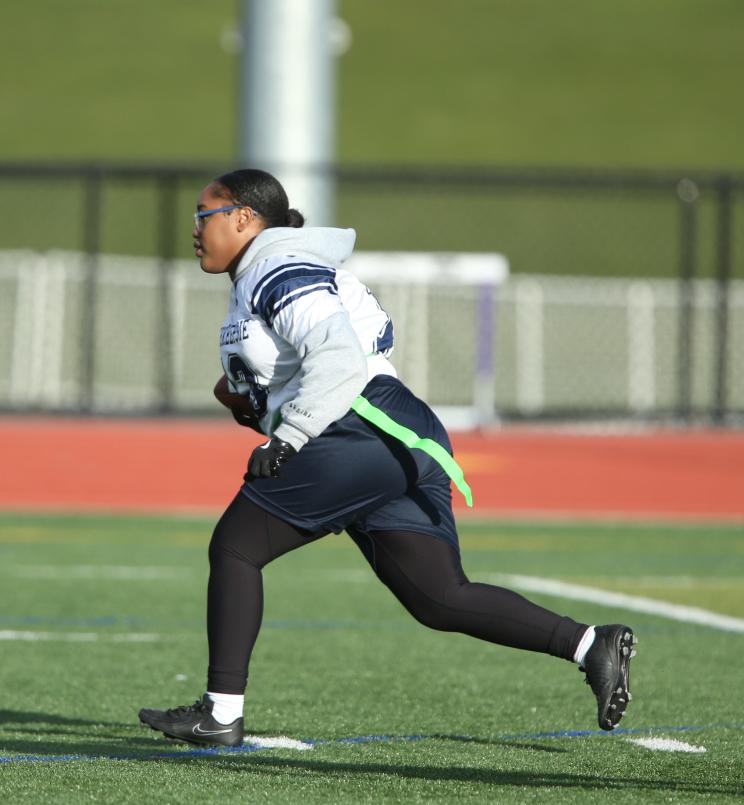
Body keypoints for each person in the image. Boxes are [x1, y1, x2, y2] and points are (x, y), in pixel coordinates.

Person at [138, 169, 636, 747]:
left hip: (362, 426)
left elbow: (339, 359)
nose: (195, 230)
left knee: (237, 546)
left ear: (244, 218)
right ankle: (590, 644)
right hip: (397, 431)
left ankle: (220, 712)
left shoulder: (277, 265)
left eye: (204, 215)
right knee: (438, 596)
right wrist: (253, 403)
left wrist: (288, 434)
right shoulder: (267, 270)